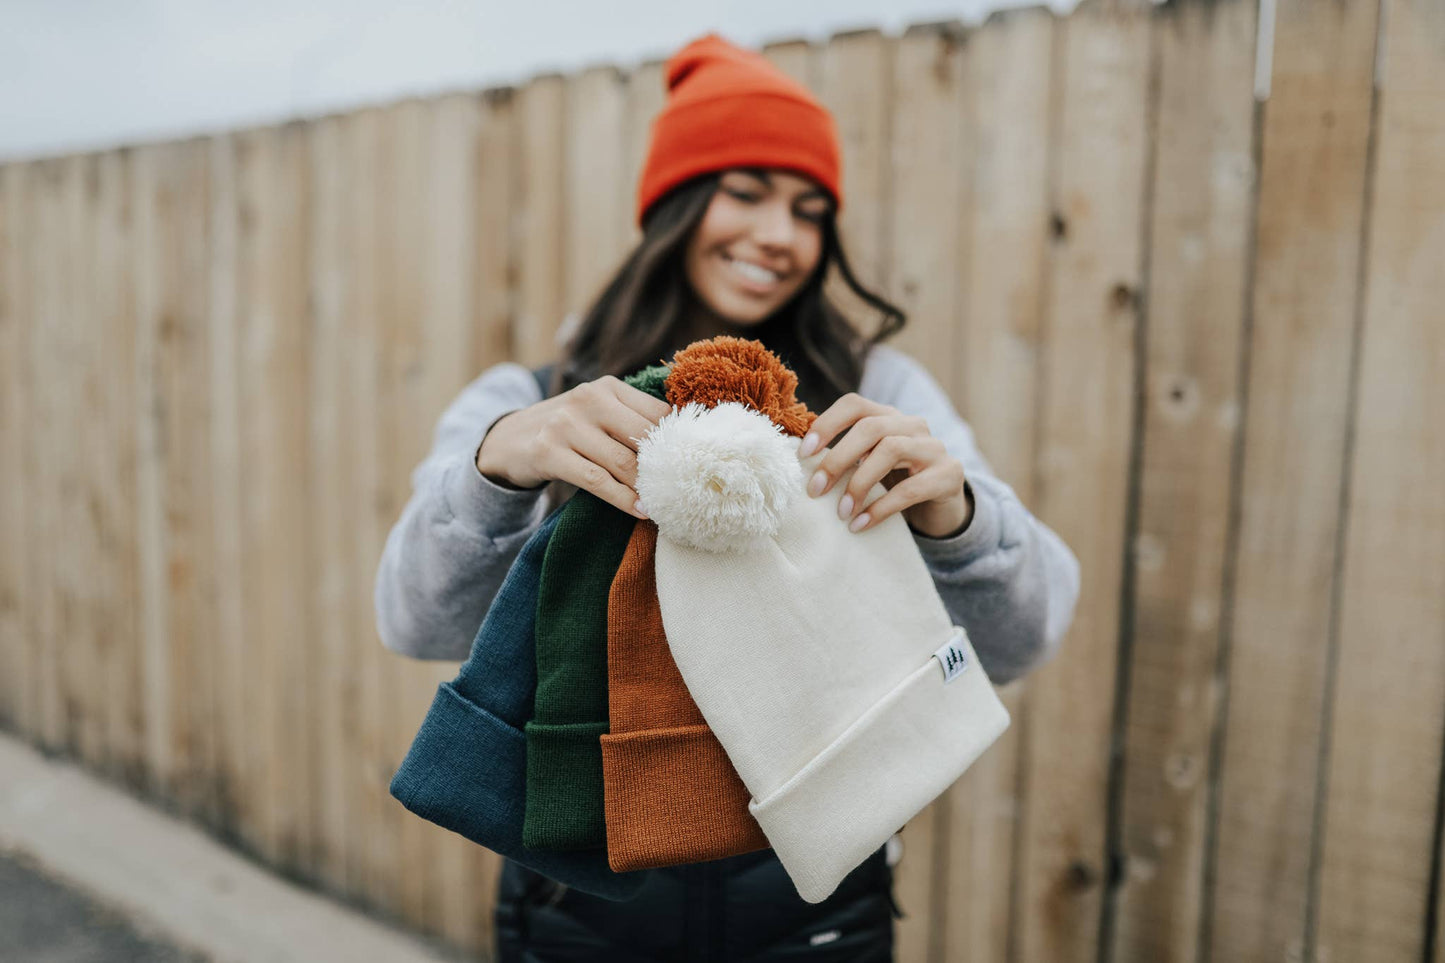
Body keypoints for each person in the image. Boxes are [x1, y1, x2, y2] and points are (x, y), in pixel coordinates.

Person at [374, 31, 1079, 963]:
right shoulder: (533, 399)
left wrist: (958, 517)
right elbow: (413, 621)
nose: (779, 236)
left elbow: (1023, 638)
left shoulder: (879, 392)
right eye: (743, 193)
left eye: (809, 210)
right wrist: (498, 467)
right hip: (578, 908)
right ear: (673, 206)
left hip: (817, 912)